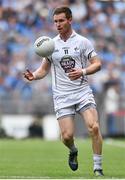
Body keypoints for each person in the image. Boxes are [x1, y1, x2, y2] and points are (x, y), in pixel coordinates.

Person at [24, 6, 104, 176]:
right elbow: (43, 70)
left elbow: (97, 64)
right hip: (62, 96)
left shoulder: (83, 42)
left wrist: (82, 71)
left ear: (70, 20)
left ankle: (98, 168)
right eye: (55, 22)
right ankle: (73, 150)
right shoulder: (50, 45)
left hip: (82, 92)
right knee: (67, 136)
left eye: (61, 21)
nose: (58, 24)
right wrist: (34, 76)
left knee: (94, 127)